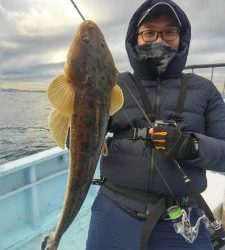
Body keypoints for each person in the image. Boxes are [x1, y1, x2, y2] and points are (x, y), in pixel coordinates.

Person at [86, 0, 225, 250]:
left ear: (182, 38)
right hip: (113, 211)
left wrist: (191, 146)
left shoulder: (204, 90)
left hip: (182, 217)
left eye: (169, 32)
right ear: (135, 38)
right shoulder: (113, 86)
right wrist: (72, 127)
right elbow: (81, 137)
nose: (159, 39)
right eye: (149, 32)